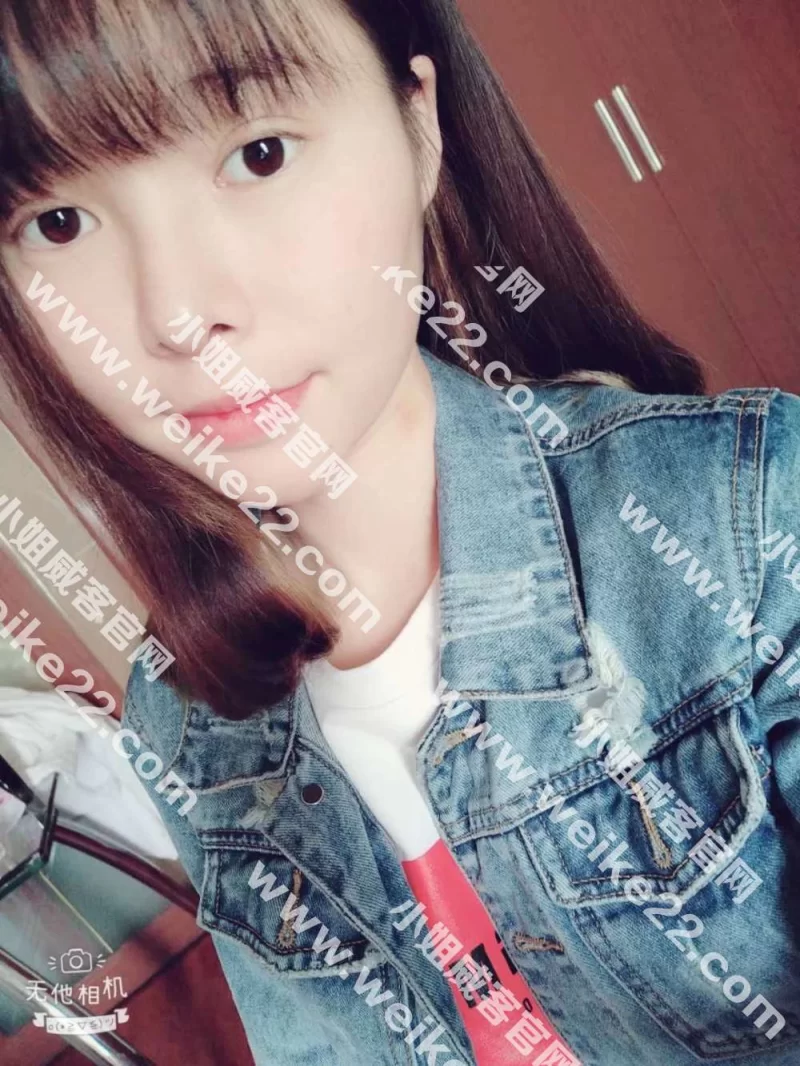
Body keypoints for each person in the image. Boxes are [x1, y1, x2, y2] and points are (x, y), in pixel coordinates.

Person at [1, 1, 798, 1063]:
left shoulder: (747, 525)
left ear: (418, 127)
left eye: (259, 153)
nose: (179, 317)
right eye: (58, 223)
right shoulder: (179, 714)